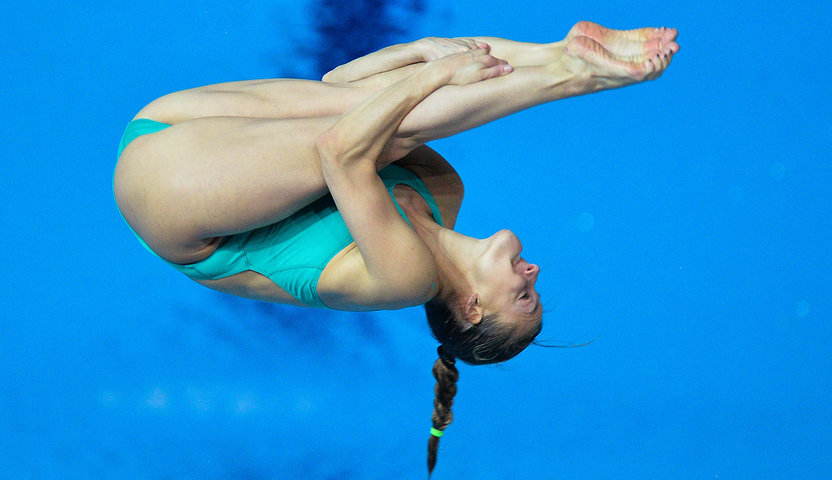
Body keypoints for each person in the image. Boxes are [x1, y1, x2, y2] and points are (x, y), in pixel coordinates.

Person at [113, 21, 679, 475]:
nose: (534, 270)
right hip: (172, 121)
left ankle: (573, 75)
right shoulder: (444, 193)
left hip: (169, 198)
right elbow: (342, 90)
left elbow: (341, 150)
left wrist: (431, 74)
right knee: (378, 102)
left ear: (473, 308)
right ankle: (557, 51)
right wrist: (419, 55)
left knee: (388, 123)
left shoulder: (407, 278)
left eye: (525, 296)